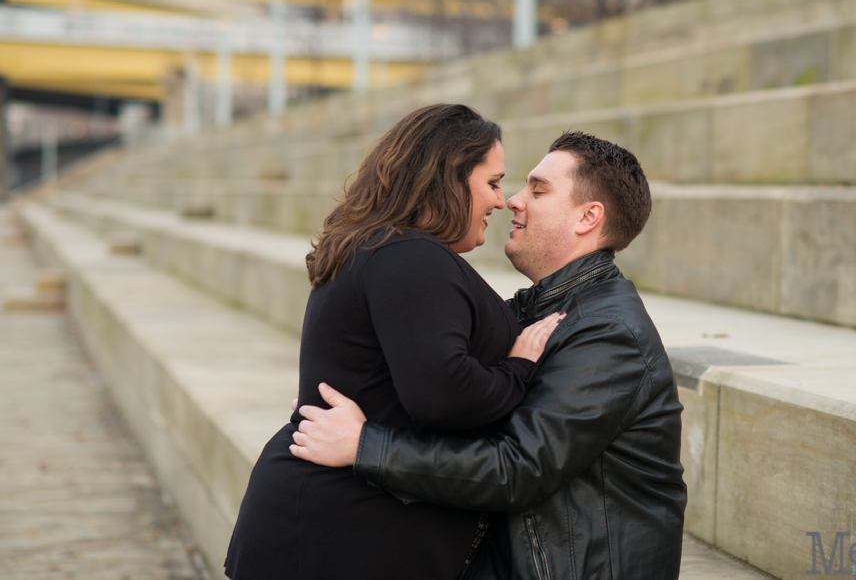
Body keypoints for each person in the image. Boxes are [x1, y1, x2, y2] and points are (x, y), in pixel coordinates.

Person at [291, 132, 688, 580]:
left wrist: (363, 445)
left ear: (588, 217)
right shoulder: (536, 309)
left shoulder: (609, 334)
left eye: (538, 190)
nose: (513, 201)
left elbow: (518, 468)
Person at [224, 104, 564, 580]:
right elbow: (443, 395)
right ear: (448, 178)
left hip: (334, 525)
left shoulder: (388, 248)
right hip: (338, 535)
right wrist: (518, 367)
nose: (501, 201)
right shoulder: (409, 256)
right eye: (491, 183)